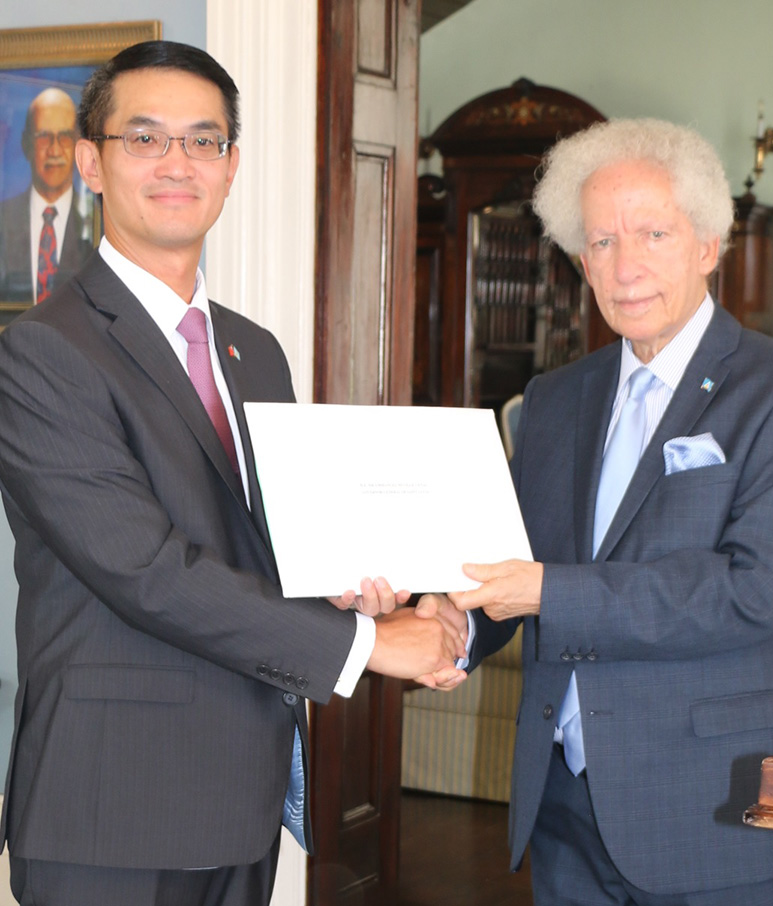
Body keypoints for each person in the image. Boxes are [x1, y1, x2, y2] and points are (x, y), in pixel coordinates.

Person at [0, 40, 465, 906]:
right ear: (93, 164)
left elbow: (263, 548)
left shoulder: (254, 351)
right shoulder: (43, 352)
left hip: (242, 795)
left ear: (231, 166)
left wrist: (357, 589)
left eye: (203, 140)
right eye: (145, 138)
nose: (177, 162)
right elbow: (146, 571)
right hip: (114, 810)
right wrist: (372, 646)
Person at [418, 118, 773, 905]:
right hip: (567, 807)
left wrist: (545, 591)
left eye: (653, 233)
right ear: (582, 261)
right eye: (603, 241)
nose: (626, 266)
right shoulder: (553, 399)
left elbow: (751, 591)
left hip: (725, 810)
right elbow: (508, 560)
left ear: (709, 244)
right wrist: (450, 624)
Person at [0, 87, 93, 303]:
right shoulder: (3, 217)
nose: (54, 150)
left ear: (78, 146)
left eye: (65, 137)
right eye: (44, 137)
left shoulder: (98, 223)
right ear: (26, 144)